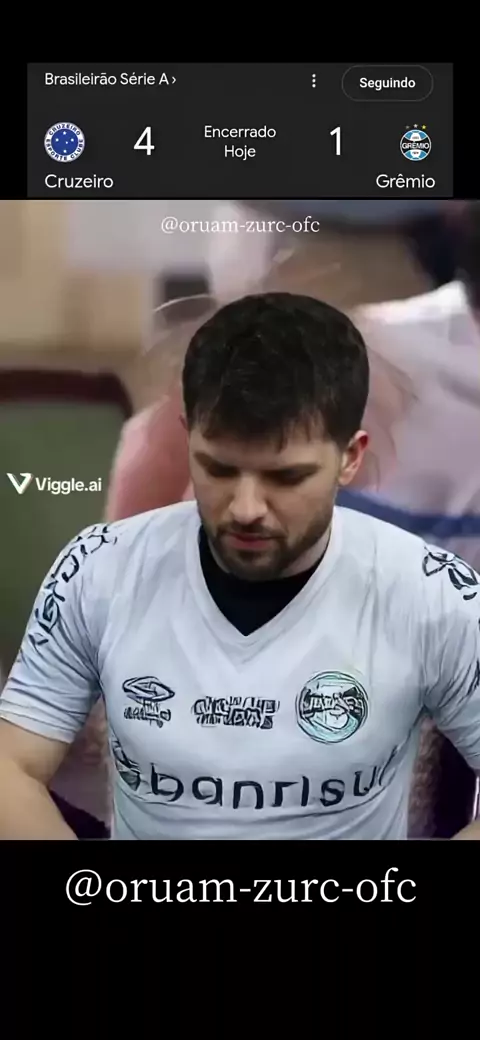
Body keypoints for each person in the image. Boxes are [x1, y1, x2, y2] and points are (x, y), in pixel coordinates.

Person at [0, 292, 479, 840]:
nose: (246, 508)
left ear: (350, 457)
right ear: (187, 436)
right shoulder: (98, 569)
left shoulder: (433, 594)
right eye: (219, 469)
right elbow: (11, 766)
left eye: (285, 477)